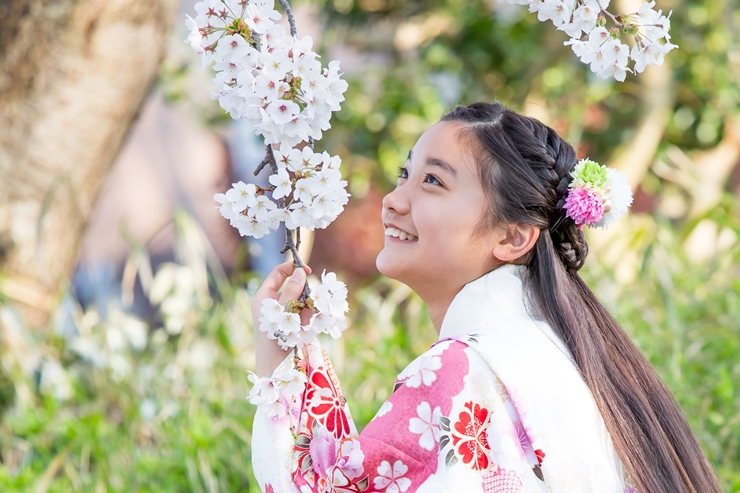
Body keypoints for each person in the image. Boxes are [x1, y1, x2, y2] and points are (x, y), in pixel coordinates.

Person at [248, 102, 721, 493]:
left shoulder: (459, 371)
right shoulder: (564, 358)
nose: (393, 199)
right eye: (404, 174)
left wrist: (284, 361)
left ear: (514, 237)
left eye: (432, 181)